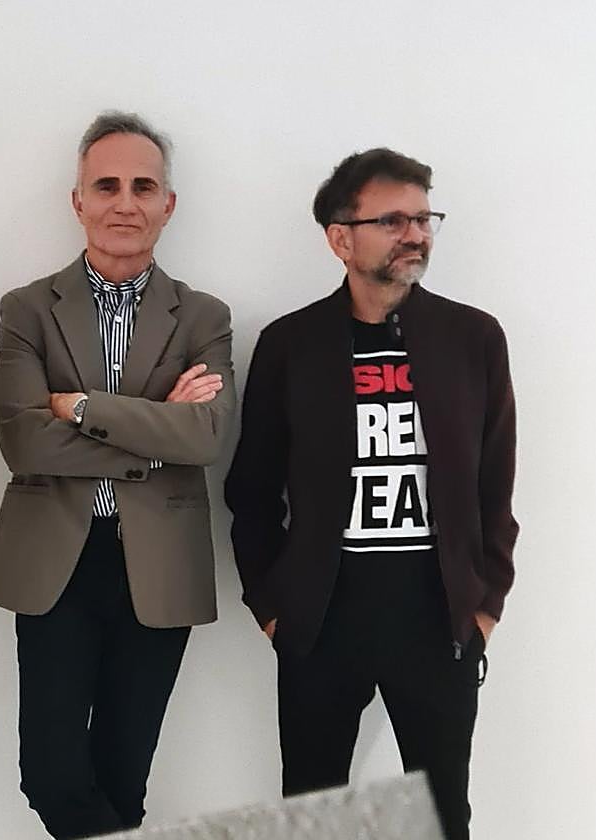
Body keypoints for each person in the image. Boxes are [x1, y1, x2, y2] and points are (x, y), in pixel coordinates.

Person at [224, 148, 518, 840]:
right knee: (312, 815)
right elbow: (252, 490)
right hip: (324, 616)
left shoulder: (473, 338)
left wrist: (485, 605)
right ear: (340, 239)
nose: (414, 234)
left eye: (423, 218)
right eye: (392, 220)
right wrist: (272, 608)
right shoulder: (290, 345)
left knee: (441, 817)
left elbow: (495, 484)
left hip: (437, 613)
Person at [0, 111, 235, 839]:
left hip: (159, 565)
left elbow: (207, 435)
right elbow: (25, 442)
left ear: (167, 204)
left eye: (143, 187)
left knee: (124, 780)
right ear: (79, 200)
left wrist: (82, 407)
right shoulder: (28, 309)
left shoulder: (203, 317)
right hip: (56, 563)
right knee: (52, 775)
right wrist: (155, 435)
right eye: (107, 185)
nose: (125, 202)